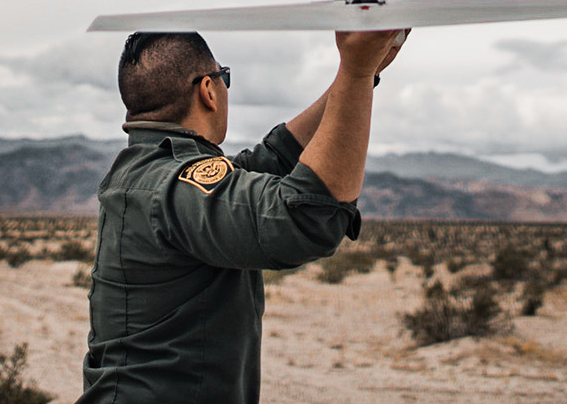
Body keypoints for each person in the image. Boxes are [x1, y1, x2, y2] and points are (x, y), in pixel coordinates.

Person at [78, 28, 406, 404]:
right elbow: (305, 218)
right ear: (208, 91)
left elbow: (270, 162)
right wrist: (356, 74)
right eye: (224, 78)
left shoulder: (147, 173)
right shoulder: (172, 185)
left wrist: (363, 72)